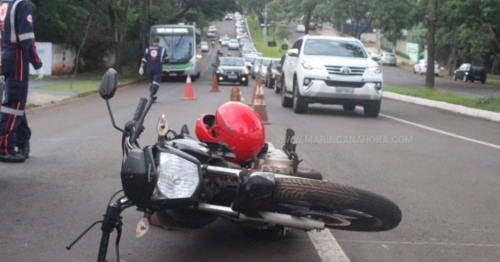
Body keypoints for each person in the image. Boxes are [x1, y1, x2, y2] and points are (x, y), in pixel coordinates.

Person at [0, 0, 43, 163]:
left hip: (5, 55)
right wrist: (37, 63)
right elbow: (27, 39)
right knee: (14, 102)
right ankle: (4, 147)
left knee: (17, 102)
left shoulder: (3, 4)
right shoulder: (22, 5)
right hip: (17, 56)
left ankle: (21, 140)